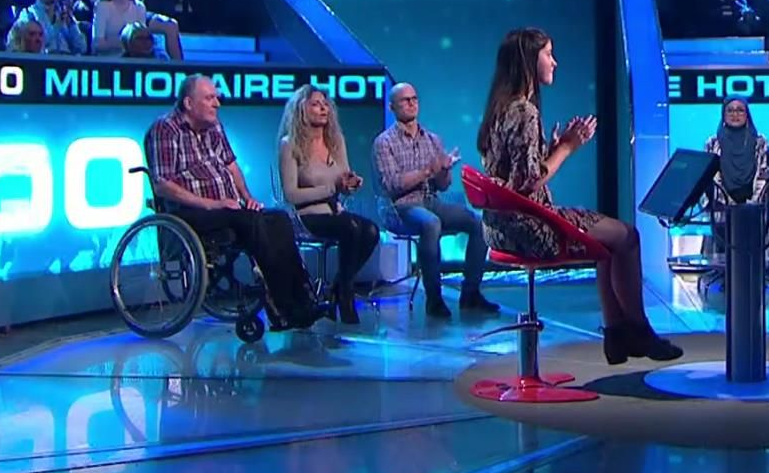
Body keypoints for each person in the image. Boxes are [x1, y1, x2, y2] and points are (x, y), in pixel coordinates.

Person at [476, 28, 682, 365]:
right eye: (548, 54)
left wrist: (553, 147)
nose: (554, 62)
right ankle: (638, 330)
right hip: (529, 227)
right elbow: (528, 182)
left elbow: (513, 173)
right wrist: (569, 147)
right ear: (529, 61)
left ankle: (617, 335)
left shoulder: (499, 108)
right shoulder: (524, 112)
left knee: (608, 243)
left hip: (499, 227)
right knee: (627, 237)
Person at [145, 75, 324, 330]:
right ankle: (284, 306)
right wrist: (210, 204)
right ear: (188, 103)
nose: (217, 103)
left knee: (278, 219)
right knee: (249, 222)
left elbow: (231, 166)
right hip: (191, 211)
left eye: (217, 98)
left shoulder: (214, 127)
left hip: (228, 208)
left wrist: (247, 198)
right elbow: (163, 184)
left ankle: (303, 299)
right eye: (210, 98)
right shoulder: (165, 129)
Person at [372, 82, 500, 320]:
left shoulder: (432, 140)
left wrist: (444, 170)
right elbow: (392, 185)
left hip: (430, 201)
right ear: (392, 107)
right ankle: (434, 299)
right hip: (399, 207)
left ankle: (470, 294)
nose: (412, 104)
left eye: (414, 99)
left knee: (478, 222)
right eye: (405, 100)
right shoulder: (384, 143)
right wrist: (427, 171)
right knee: (431, 223)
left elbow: (442, 185)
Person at [278, 85, 380, 324]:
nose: (323, 108)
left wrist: (350, 184)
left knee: (371, 231)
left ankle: (338, 287)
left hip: (336, 212)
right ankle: (345, 295)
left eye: (325, 104)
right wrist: (331, 189)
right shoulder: (289, 144)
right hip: (306, 216)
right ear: (301, 110)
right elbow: (290, 195)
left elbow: (343, 179)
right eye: (315, 104)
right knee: (350, 229)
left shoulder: (336, 140)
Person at [702, 97, 769, 285]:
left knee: (751, 219)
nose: (735, 114)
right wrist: (724, 201)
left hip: (754, 201)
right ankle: (730, 276)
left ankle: (752, 276)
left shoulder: (760, 142)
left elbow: (764, 174)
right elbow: (708, 177)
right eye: (730, 110)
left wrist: (752, 203)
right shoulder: (713, 143)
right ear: (723, 115)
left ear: (747, 115)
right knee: (726, 220)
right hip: (721, 202)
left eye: (740, 110)